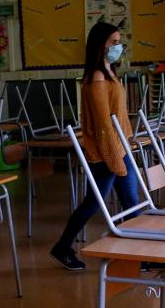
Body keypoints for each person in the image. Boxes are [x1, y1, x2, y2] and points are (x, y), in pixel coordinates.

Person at [49, 21, 139, 271]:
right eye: (113, 42)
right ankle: (63, 246)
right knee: (94, 202)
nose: (117, 46)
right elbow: (103, 126)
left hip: (119, 149)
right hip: (105, 153)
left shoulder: (109, 72)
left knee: (132, 201)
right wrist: (114, 159)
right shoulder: (97, 78)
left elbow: (119, 115)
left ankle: (142, 254)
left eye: (119, 41)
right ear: (100, 45)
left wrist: (128, 140)